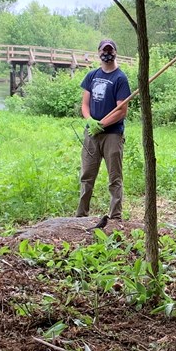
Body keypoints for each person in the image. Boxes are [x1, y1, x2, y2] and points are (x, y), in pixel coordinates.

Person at [77, 38, 131, 221]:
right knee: (87, 176)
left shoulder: (120, 79)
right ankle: (81, 215)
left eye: (110, 50)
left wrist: (103, 124)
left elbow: (122, 110)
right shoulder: (92, 76)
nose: (107, 53)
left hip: (112, 135)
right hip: (92, 134)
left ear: (115, 52)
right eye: (104, 50)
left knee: (115, 178)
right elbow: (85, 104)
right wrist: (90, 121)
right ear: (98, 53)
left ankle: (115, 216)